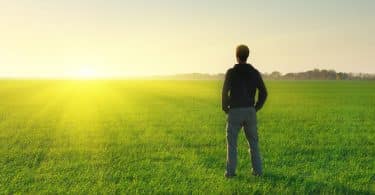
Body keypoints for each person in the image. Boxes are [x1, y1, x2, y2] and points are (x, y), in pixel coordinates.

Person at [222, 45, 268, 178]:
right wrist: (256, 107)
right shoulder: (254, 72)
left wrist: (226, 108)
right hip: (250, 111)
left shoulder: (231, 72)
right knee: (254, 144)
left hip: (235, 111)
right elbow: (264, 92)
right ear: (247, 56)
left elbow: (224, 92)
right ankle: (258, 172)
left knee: (232, 145)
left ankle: (230, 173)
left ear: (236, 56)